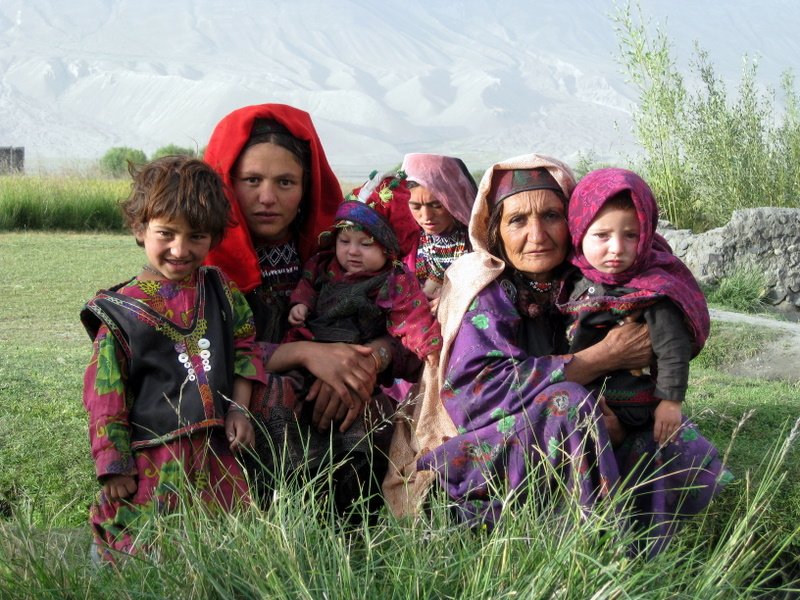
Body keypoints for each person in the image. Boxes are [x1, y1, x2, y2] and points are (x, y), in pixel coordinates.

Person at [384, 153, 731, 555]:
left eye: (551, 216)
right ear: (495, 230)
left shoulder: (589, 282)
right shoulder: (484, 289)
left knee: (677, 440)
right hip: (480, 451)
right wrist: (602, 358)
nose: (537, 235)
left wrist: (615, 416)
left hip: (582, 429)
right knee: (569, 403)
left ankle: (643, 549)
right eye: (518, 220)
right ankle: (590, 549)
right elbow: (476, 399)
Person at [203, 104, 416, 517]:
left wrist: (367, 360)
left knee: (377, 411)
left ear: (307, 188)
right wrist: (306, 354)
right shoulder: (202, 263)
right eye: (251, 180)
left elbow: (405, 335)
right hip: (239, 416)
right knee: (274, 395)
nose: (268, 197)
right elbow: (205, 354)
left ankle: (355, 528)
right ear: (227, 184)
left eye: (285, 182)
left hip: (342, 409)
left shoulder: (342, 256)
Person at [80, 156, 265, 561]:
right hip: (153, 458)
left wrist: (239, 409)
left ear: (213, 237)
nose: (180, 250)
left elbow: (245, 348)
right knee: (142, 548)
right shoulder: (121, 311)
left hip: (216, 452)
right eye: (166, 233)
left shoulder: (221, 291)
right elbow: (104, 393)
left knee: (223, 549)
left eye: (196, 236)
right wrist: (113, 462)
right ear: (139, 228)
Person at [557, 168, 710, 445]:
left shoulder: (652, 288)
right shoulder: (571, 276)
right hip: (579, 390)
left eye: (631, 235)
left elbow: (673, 348)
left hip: (630, 403)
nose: (617, 247)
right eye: (602, 235)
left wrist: (670, 402)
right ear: (579, 232)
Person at [285, 171, 442, 374]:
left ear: (388, 251)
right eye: (344, 241)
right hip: (310, 347)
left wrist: (428, 345)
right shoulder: (322, 264)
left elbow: (412, 315)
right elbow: (307, 284)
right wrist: (301, 304)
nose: (352, 251)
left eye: (366, 244)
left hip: (356, 358)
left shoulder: (394, 280)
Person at [400, 153, 477, 313]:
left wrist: (455, 301)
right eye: (416, 207)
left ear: (454, 201)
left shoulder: (478, 243)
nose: (426, 216)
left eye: (436, 205)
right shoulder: (405, 241)